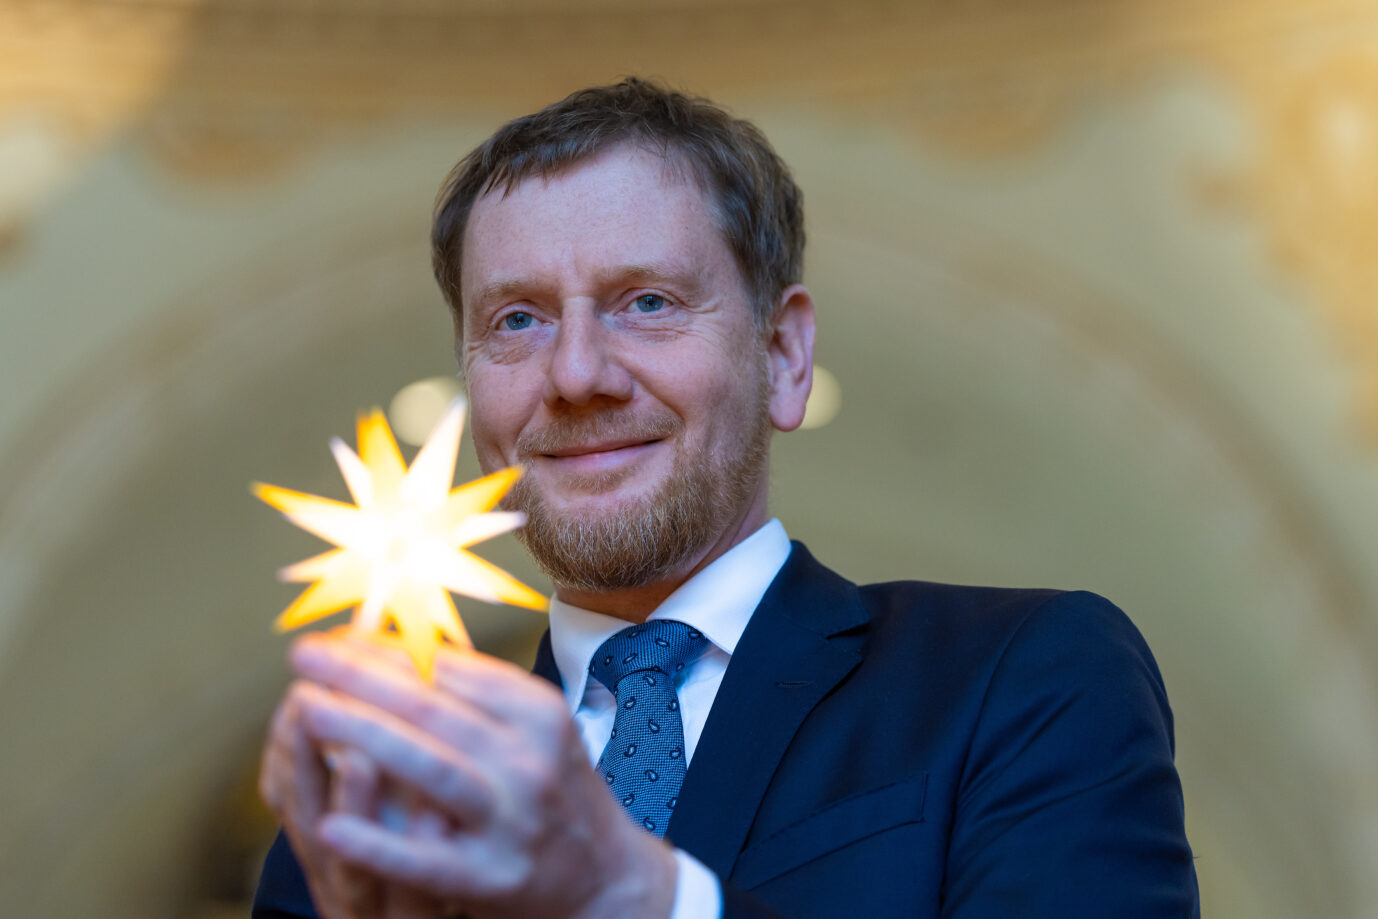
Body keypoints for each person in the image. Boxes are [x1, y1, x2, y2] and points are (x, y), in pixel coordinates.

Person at [253, 78, 1200, 919]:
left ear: (784, 355)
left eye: (648, 301)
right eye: (518, 319)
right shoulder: (377, 814)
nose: (577, 373)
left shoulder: (1023, 679)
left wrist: (637, 899)